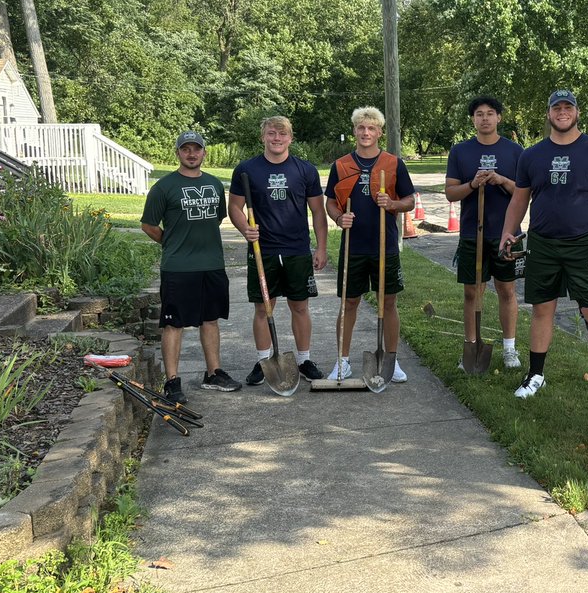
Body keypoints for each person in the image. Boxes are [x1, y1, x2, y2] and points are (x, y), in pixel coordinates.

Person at [501, 89, 588, 403]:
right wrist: (508, 232)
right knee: (542, 310)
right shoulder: (532, 155)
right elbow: (519, 199)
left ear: (577, 112)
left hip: (584, 244)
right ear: (549, 113)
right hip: (543, 243)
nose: (562, 112)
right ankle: (536, 375)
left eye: (568, 107)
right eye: (557, 107)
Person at [228, 116, 328, 385]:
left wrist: (321, 247)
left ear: (290, 138)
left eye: (282, 135)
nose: (276, 139)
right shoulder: (247, 170)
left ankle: (304, 359)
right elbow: (234, 207)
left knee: (300, 306)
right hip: (264, 249)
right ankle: (264, 360)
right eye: (271, 134)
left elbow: (318, 212)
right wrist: (245, 229)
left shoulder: (305, 170)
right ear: (263, 137)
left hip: (296, 248)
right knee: (263, 308)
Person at [140, 131, 239, 403]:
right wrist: (171, 242)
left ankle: (213, 373)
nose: (192, 154)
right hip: (178, 267)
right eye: (186, 149)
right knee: (174, 324)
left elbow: (217, 217)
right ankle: (172, 381)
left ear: (204, 153)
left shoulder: (215, 184)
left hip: (211, 264)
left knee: (210, 319)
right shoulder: (164, 187)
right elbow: (148, 225)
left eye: (197, 149)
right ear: (178, 153)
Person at [324, 106, 416, 383]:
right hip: (354, 246)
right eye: (361, 127)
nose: (366, 132)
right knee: (349, 302)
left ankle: (391, 359)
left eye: (371, 128)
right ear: (354, 130)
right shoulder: (341, 165)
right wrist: (340, 218)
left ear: (379, 132)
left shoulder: (393, 163)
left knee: (388, 303)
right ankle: (342, 361)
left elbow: (410, 200)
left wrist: (393, 204)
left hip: (384, 246)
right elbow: (329, 202)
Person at [445, 96, 524, 370]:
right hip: (471, 232)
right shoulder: (460, 152)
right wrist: (472, 183)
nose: (485, 118)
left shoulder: (515, 152)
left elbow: (525, 194)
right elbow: (450, 193)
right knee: (472, 292)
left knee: (507, 289)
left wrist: (502, 180)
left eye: (491, 113)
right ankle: (471, 346)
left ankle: (509, 348)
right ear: (473, 120)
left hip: (506, 233)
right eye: (479, 114)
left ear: (499, 118)